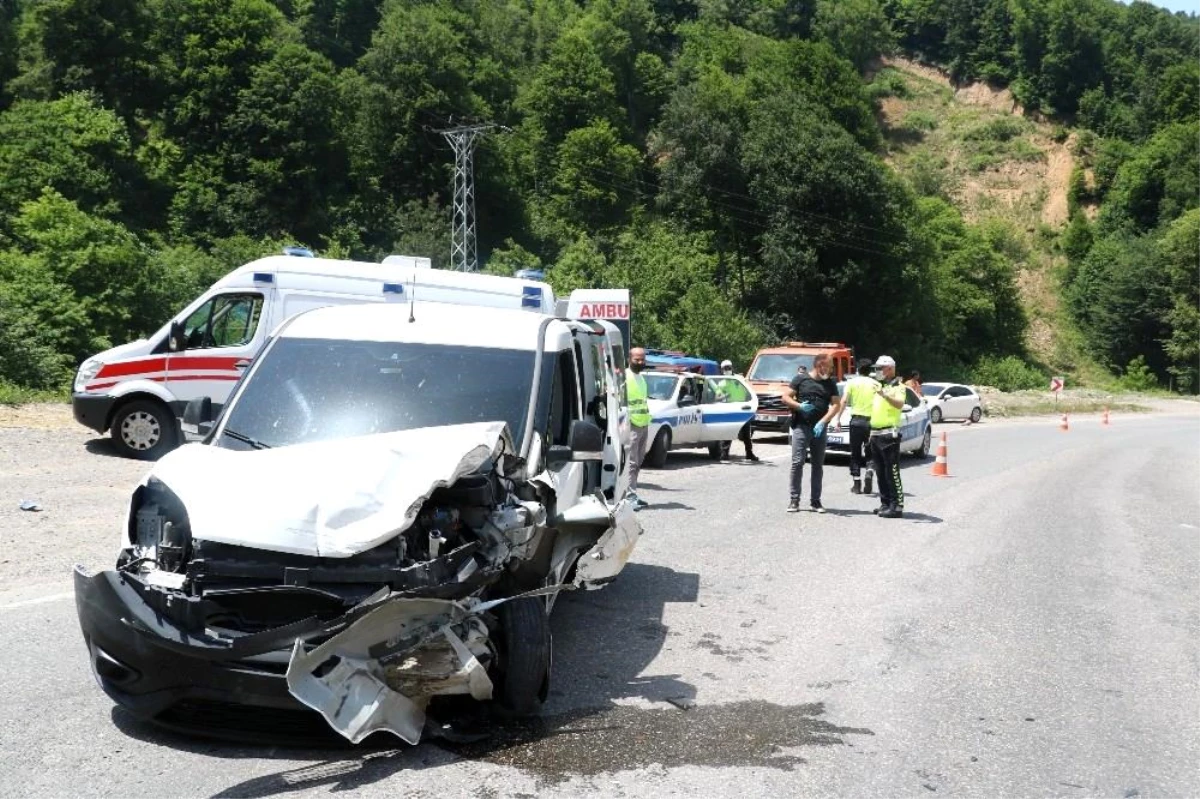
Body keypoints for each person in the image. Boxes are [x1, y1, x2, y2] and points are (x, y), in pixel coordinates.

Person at [782, 353, 843, 513]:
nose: (830, 371)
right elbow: (785, 397)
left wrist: (823, 422)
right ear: (819, 365)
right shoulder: (800, 379)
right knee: (797, 462)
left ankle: (815, 501)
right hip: (801, 426)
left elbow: (836, 405)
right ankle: (794, 500)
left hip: (819, 429)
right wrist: (799, 406)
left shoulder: (830, 383)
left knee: (818, 465)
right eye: (829, 367)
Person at [869, 355, 908, 519]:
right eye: (876, 368)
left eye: (880, 368)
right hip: (875, 433)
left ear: (890, 368)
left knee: (892, 471)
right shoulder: (879, 385)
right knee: (880, 471)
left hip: (889, 434)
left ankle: (897, 505)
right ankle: (885, 503)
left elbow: (899, 404)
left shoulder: (898, 386)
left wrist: (884, 394)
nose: (878, 371)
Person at [842, 361, 880, 495]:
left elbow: (844, 400)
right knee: (870, 452)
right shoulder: (876, 384)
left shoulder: (852, 382)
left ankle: (857, 485)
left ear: (858, 369)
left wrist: (838, 418)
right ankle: (869, 471)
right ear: (870, 371)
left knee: (855, 453)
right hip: (871, 422)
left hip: (856, 421)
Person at [717, 359, 759, 462]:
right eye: (725, 368)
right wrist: (726, 395)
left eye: (729, 368)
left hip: (743, 408)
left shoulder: (739, 379)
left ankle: (749, 453)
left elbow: (748, 389)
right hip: (731, 409)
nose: (727, 370)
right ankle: (724, 454)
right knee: (728, 432)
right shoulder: (722, 383)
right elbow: (718, 397)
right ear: (722, 370)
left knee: (746, 434)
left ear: (732, 368)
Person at [626, 347, 651, 510]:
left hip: (643, 423)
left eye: (642, 359)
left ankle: (633, 493)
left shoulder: (641, 378)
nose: (640, 362)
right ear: (630, 359)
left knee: (638, 461)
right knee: (631, 462)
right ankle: (628, 497)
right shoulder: (625, 377)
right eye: (637, 359)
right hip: (631, 424)